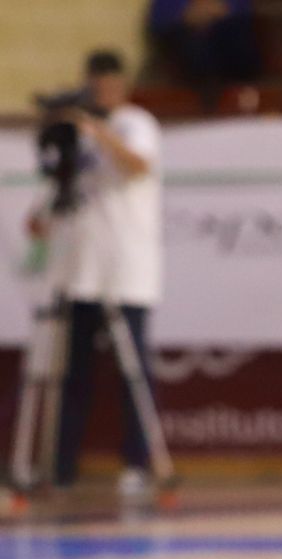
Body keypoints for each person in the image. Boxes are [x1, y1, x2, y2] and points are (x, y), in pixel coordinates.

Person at [43, 50, 165, 499]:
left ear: (122, 84)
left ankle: (137, 462)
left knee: (133, 372)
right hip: (84, 270)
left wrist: (98, 129)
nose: (102, 91)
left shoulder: (135, 122)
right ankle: (62, 463)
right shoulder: (80, 135)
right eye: (96, 83)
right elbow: (69, 184)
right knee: (73, 371)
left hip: (127, 269)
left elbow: (138, 165)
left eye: (109, 83)